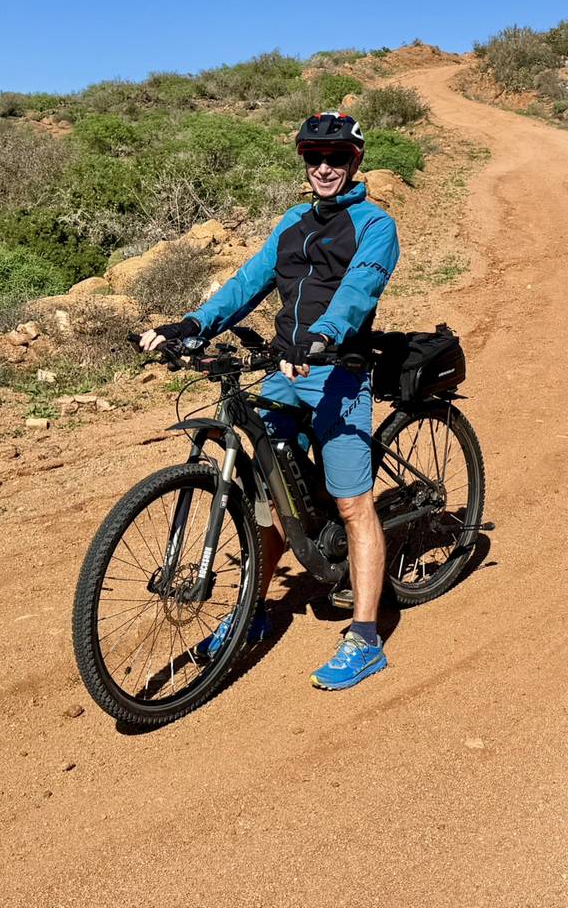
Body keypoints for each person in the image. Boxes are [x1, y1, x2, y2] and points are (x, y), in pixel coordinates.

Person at [141, 110, 399, 692]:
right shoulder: (292, 222)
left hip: (336, 371)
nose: (324, 168)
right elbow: (247, 283)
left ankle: (364, 637)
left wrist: (324, 335)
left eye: (336, 158)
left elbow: (359, 289)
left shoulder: (375, 224)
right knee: (268, 495)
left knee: (353, 504)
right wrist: (192, 325)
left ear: (355, 161)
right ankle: (252, 609)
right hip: (283, 370)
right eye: (314, 158)